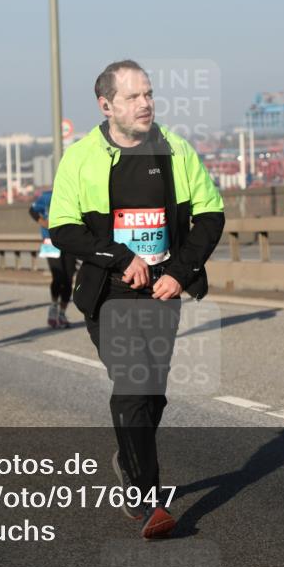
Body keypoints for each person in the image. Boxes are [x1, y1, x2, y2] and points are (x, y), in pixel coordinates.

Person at [49, 60, 225, 539]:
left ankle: (128, 464)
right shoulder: (81, 157)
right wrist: (119, 255)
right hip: (110, 294)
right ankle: (149, 502)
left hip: (162, 293)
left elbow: (210, 214)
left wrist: (179, 273)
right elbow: (62, 227)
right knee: (133, 383)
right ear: (106, 105)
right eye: (133, 96)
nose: (145, 103)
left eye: (148, 93)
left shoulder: (174, 149)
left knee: (153, 395)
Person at [30, 189, 75, 328]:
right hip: (51, 241)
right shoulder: (46, 196)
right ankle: (54, 305)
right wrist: (43, 222)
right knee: (58, 277)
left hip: (71, 242)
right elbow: (32, 211)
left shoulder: (75, 194)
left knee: (68, 280)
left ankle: (62, 313)